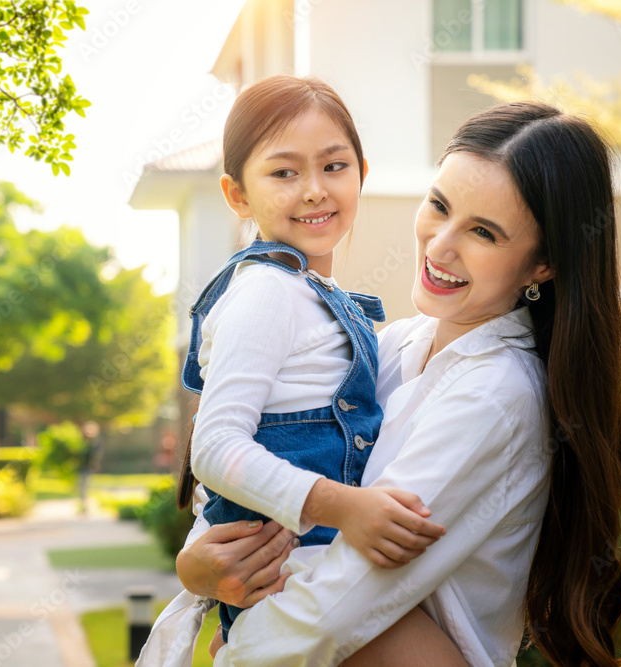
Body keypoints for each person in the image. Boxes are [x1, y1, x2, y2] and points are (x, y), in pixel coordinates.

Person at [176, 101, 621, 666]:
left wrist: (237, 648)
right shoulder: (395, 347)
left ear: (543, 263)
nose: (440, 246)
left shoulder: (495, 396)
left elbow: (337, 606)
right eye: (439, 206)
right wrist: (199, 567)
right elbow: (255, 457)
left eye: (484, 232)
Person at [137, 75, 461, 666]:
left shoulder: (315, 296)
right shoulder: (266, 293)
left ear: (362, 172)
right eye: (284, 173)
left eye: (334, 166)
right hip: (299, 570)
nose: (314, 190)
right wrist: (347, 509)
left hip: (313, 572)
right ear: (237, 195)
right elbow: (215, 449)